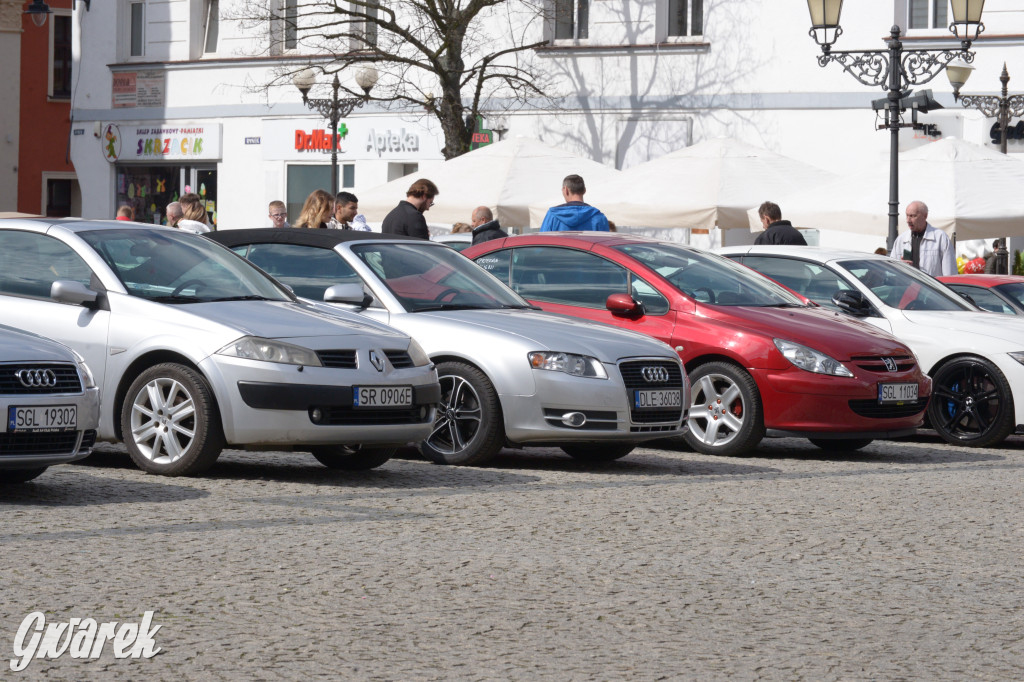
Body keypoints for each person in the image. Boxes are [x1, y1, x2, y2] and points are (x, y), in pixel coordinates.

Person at [890, 200, 956, 277]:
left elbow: (950, 274)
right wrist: (901, 266)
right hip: (907, 287)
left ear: (925, 216)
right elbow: (891, 271)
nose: (908, 220)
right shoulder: (901, 239)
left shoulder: (940, 238)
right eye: (907, 215)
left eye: (912, 216)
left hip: (932, 288)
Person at [539, 174, 610, 232]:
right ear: (584, 190)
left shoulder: (552, 215)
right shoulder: (599, 217)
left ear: (566, 190)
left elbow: (541, 243)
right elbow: (605, 245)